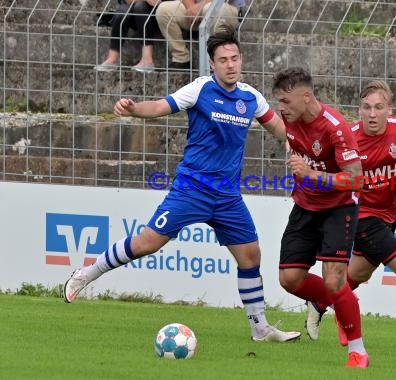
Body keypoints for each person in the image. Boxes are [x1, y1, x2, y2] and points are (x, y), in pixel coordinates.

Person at [64, 25, 301, 344]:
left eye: (235, 58)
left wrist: (297, 143)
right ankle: (86, 274)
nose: (231, 64)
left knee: (250, 256)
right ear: (212, 63)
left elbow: (280, 129)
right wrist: (135, 109)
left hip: (227, 196)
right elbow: (160, 107)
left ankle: (260, 328)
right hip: (191, 189)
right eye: (223, 59)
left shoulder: (251, 97)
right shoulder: (200, 89)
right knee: (148, 243)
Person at [304, 80, 396, 353]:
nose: (372, 113)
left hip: (388, 215)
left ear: (389, 109)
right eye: (366, 107)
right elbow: (326, 171)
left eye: (379, 107)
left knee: (359, 273)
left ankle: (320, 302)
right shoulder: (349, 137)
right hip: (359, 214)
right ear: (360, 110)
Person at [272, 67, 369, 368]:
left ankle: (358, 352)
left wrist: (312, 174)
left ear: (306, 96)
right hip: (305, 205)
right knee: (289, 279)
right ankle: (343, 300)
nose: (281, 108)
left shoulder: (335, 128)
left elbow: (356, 180)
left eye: (285, 101)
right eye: (278, 102)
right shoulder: (291, 121)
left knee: (334, 279)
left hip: (338, 208)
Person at [156, 0, 244, 70]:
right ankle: (181, 59)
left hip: (227, 7)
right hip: (196, 9)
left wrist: (199, 7)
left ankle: (218, 59)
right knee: (163, 10)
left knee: (210, 9)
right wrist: (190, 7)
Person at [95, 0, 168, 73]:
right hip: (134, 11)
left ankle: (147, 60)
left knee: (140, 7)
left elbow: (158, 3)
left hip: (157, 15)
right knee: (122, 12)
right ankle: (112, 59)